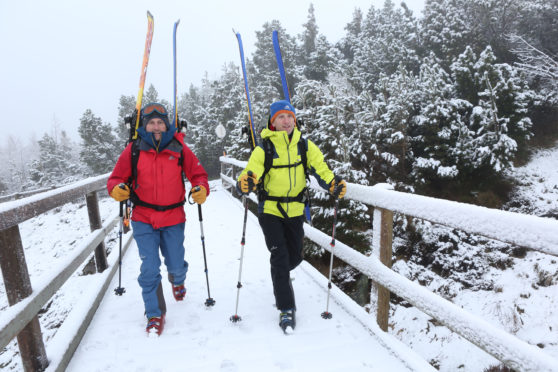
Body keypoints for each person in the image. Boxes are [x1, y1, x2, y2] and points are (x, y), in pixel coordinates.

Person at [236, 100, 346, 333]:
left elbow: (321, 169)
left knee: (294, 258)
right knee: (279, 256)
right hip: (270, 211)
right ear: (272, 122)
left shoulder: (305, 146)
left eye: (289, 117)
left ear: (294, 120)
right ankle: (286, 308)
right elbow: (251, 172)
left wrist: (333, 183)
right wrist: (245, 182)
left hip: (295, 210)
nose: (286, 121)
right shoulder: (263, 148)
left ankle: (282, 275)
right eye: (280, 117)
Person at [107, 102, 209, 337]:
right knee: (149, 267)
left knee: (175, 263)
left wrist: (201, 188)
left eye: (160, 122)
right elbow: (115, 178)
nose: (155, 126)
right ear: (145, 125)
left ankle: (178, 279)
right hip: (143, 217)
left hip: (174, 216)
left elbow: (198, 174)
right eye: (151, 122)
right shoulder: (133, 149)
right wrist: (116, 189)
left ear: (167, 125)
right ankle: (154, 313)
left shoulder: (179, 147)